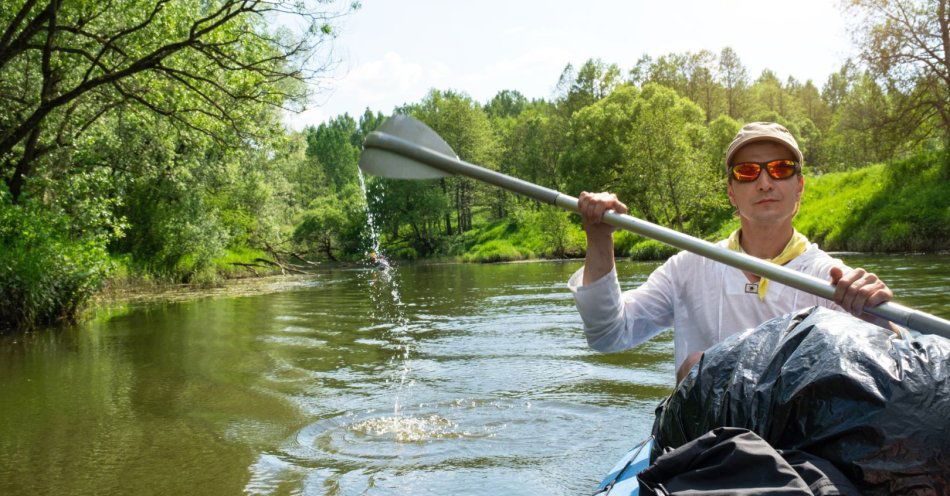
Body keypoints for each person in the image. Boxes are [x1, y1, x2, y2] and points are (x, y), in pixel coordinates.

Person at [568, 122, 896, 382]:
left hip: (794, 445)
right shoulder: (687, 267)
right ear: (731, 192)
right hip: (704, 442)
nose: (765, 182)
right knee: (696, 366)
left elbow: (889, 368)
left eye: (780, 169)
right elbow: (609, 335)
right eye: (748, 172)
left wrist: (879, 321)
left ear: (799, 186)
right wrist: (599, 238)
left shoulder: (832, 281)